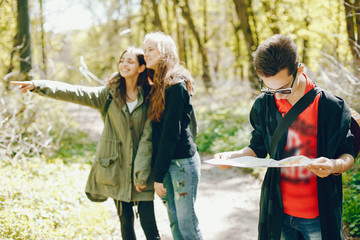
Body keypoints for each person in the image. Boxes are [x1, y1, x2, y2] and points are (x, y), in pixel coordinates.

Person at [215, 34, 356, 240]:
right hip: (278, 212)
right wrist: (233, 157)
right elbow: (258, 147)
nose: (277, 95)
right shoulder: (264, 105)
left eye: (283, 88)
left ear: (299, 70)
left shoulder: (330, 106)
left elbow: (348, 153)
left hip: (318, 214)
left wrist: (335, 166)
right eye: (268, 88)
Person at [12, 47, 161, 240]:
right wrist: (37, 85)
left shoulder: (150, 98)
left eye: (130, 62)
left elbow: (150, 138)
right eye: (122, 61)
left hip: (143, 169)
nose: (124, 65)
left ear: (141, 68)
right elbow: (74, 92)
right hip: (117, 169)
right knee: (125, 222)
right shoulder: (108, 95)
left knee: (149, 223)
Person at [143, 32, 203, 240]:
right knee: (175, 222)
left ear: (165, 52)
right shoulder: (157, 84)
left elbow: (170, 134)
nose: (145, 53)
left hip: (181, 164)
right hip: (169, 163)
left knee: (187, 226)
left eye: (150, 49)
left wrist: (158, 176)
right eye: (144, 49)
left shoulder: (176, 85)